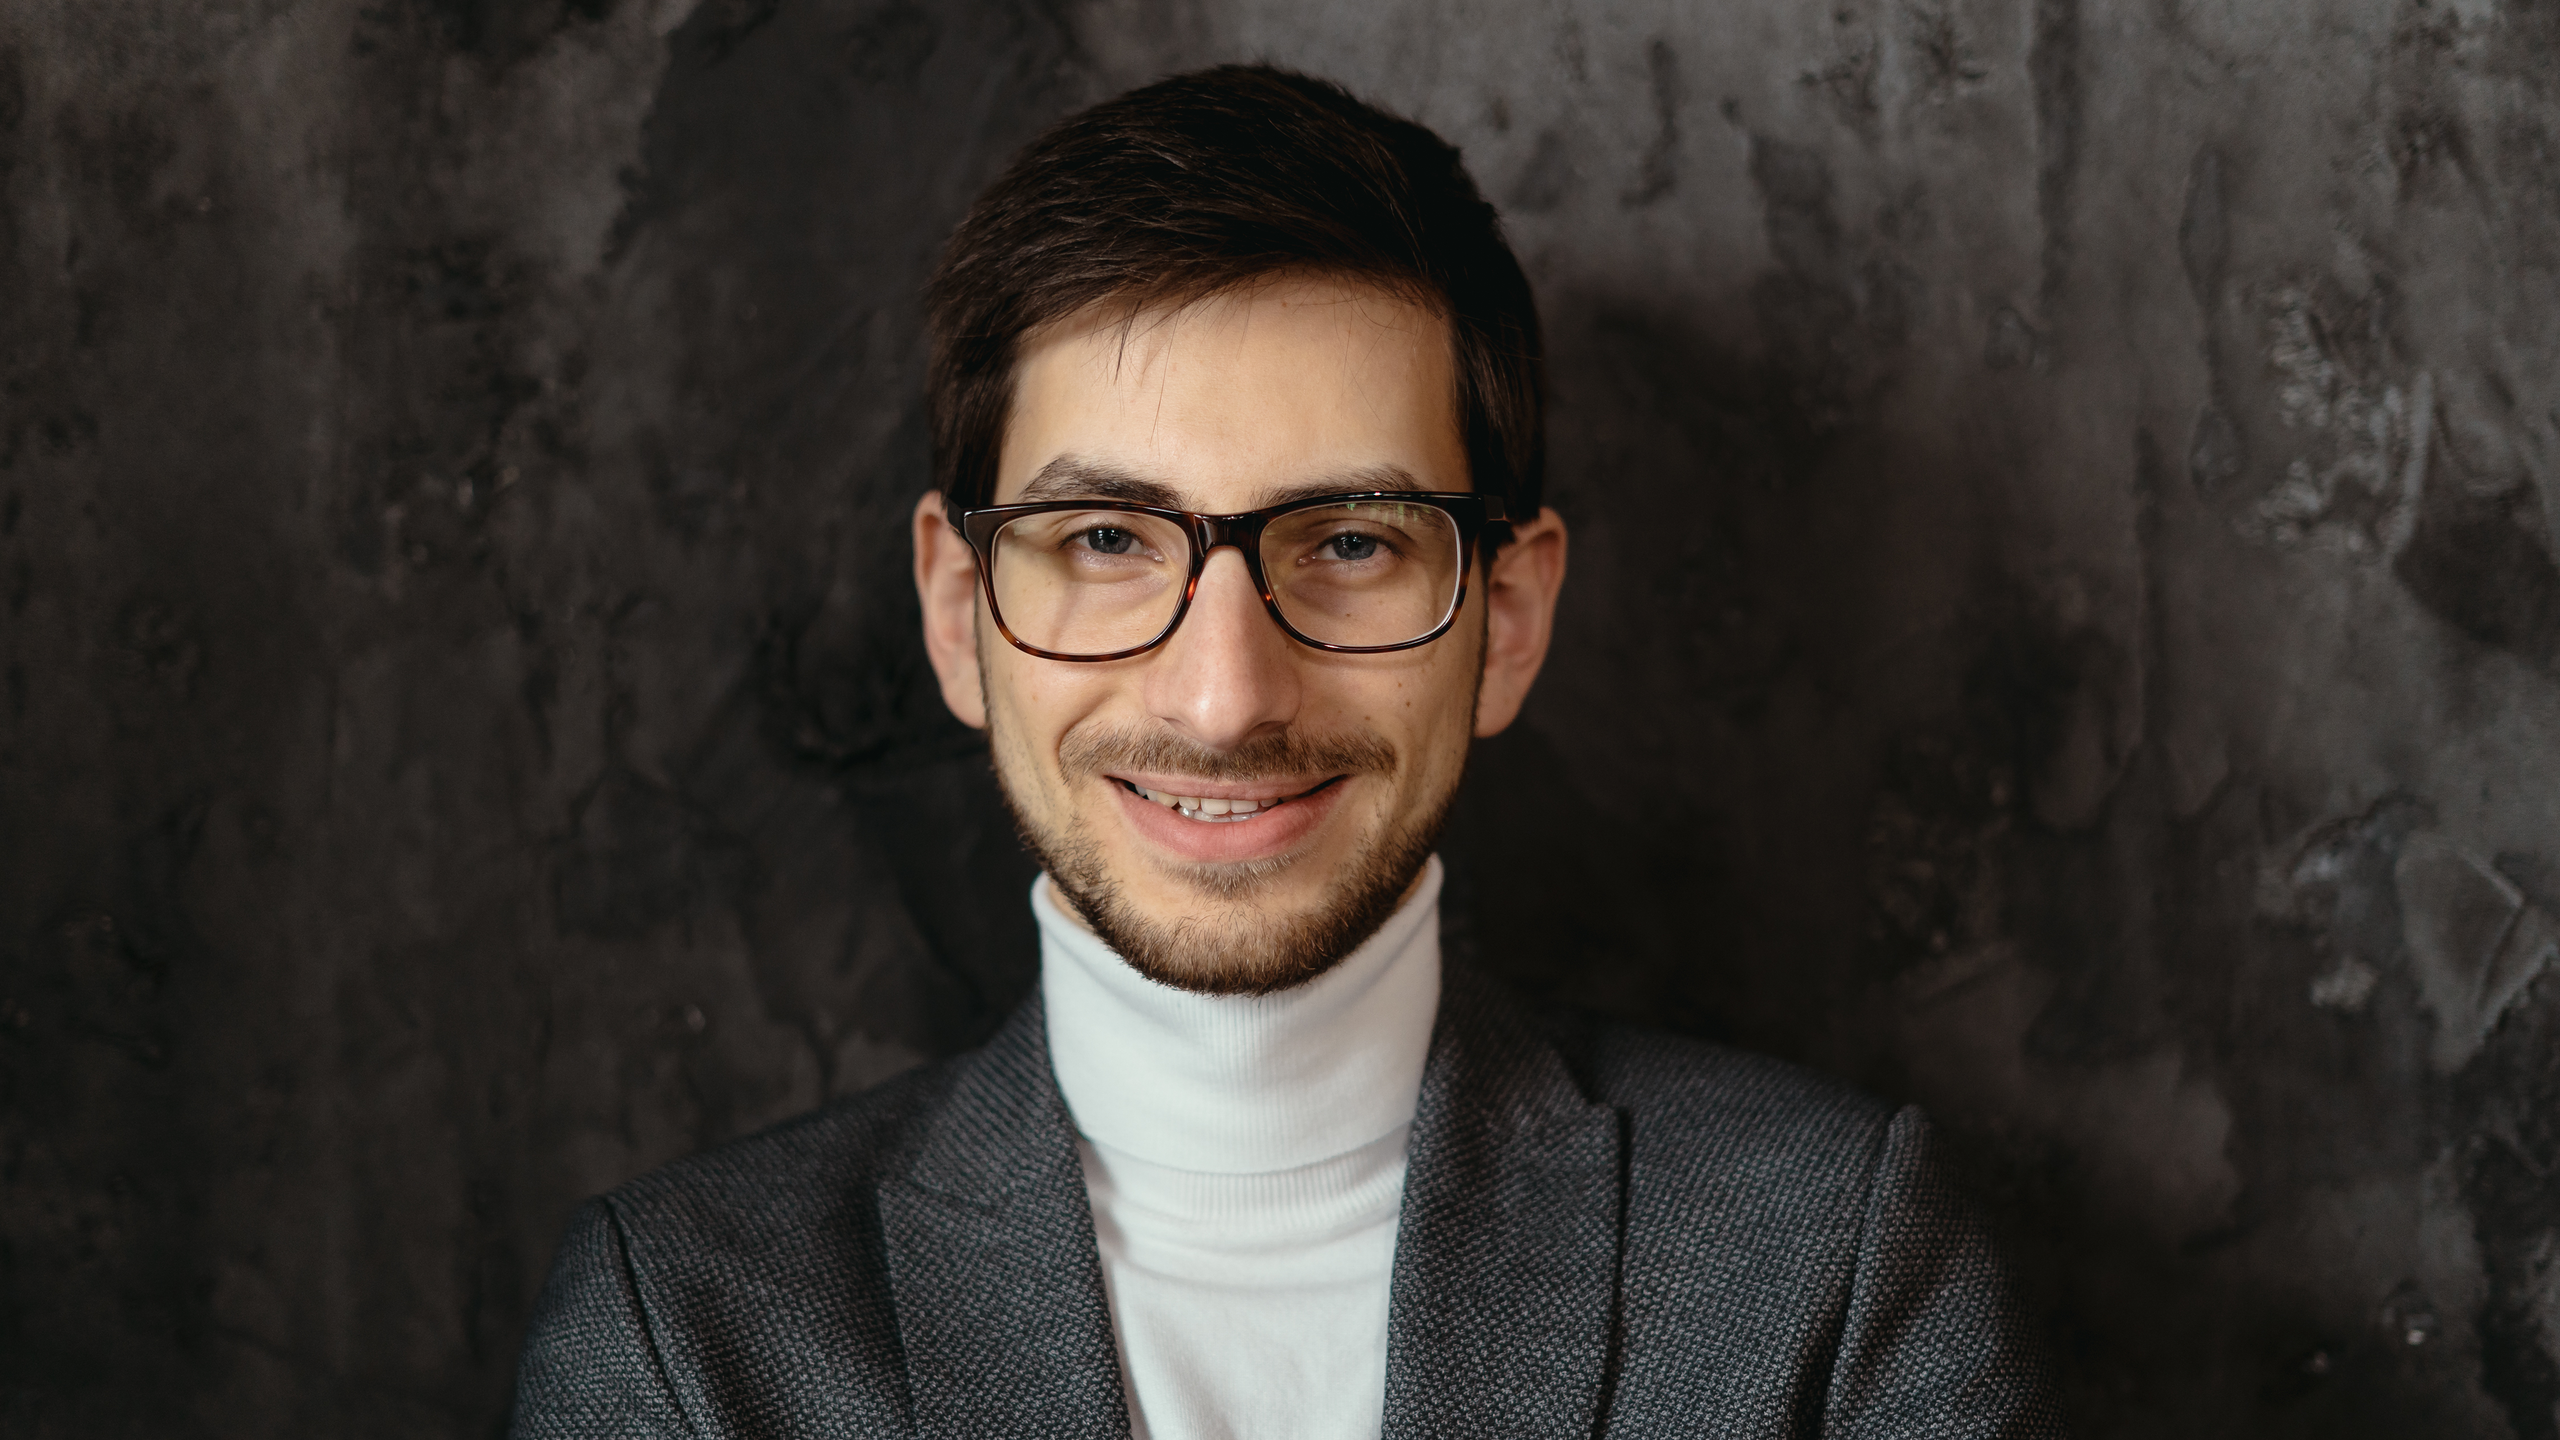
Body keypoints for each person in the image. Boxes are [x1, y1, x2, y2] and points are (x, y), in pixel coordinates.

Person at [508, 64, 2066, 1440]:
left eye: (1354, 541)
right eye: (1107, 536)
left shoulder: (1834, 1273)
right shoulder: (690, 1339)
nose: (1222, 699)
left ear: (1506, 618)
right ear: (957, 604)